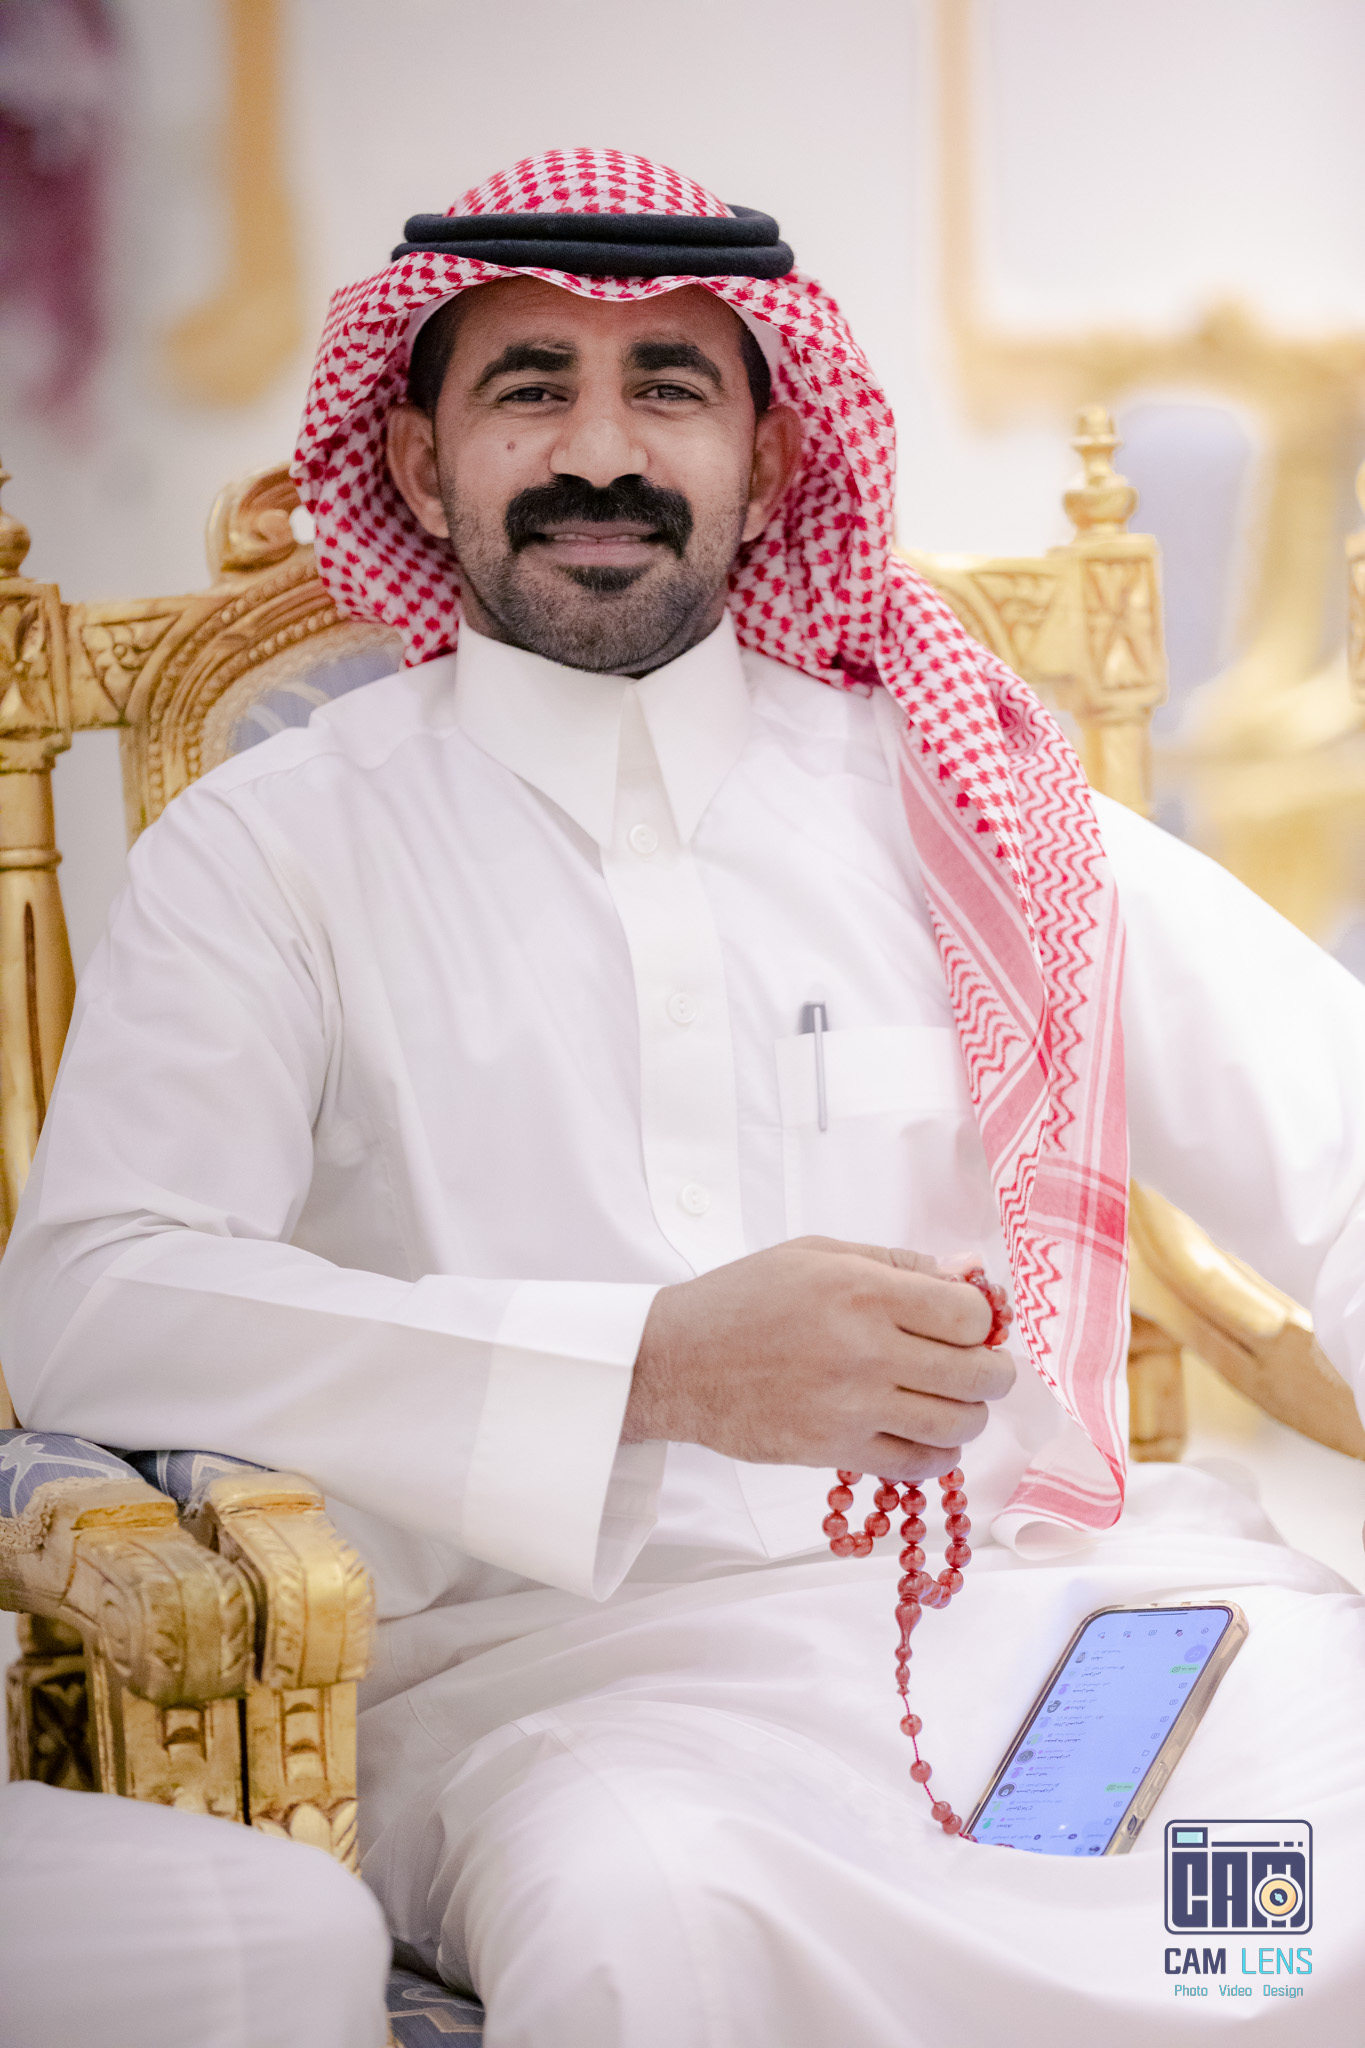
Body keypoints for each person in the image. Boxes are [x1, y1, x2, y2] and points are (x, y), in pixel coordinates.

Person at [3, 149, 1365, 2045]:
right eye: (528, 386)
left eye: (667, 388)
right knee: (651, 1929)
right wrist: (644, 1370)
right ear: (416, 465)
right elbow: (95, 1301)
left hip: (1055, 1606)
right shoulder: (276, 851)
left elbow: (1337, 1139)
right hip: (565, 1679)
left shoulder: (963, 800)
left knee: (1314, 1856)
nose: (600, 451)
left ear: (769, 458)